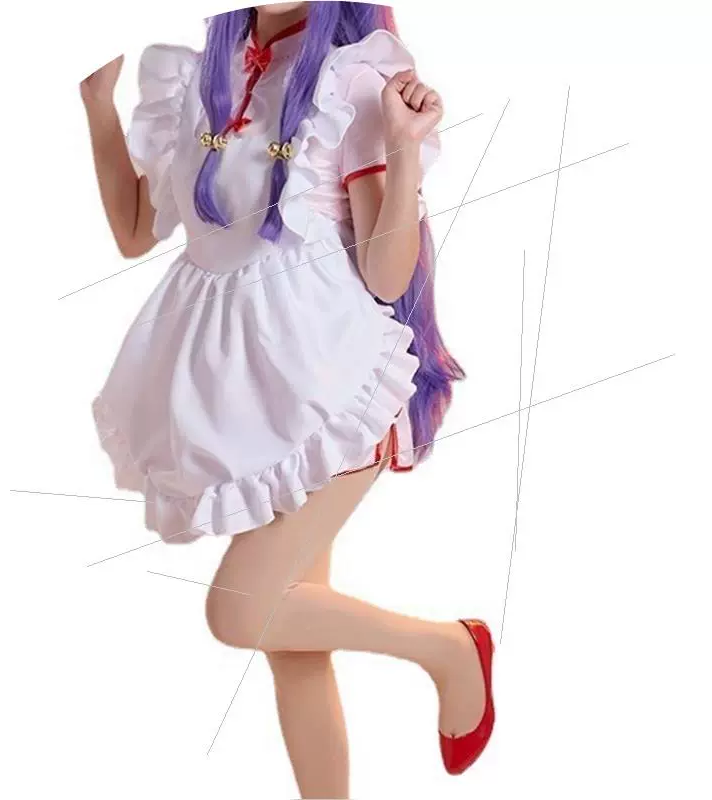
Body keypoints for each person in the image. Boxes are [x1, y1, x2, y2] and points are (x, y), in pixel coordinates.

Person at [80, 3, 494, 796]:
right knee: (290, 641)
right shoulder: (205, 67)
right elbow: (135, 230)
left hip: (329, 388)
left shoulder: (354, 72)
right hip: (241, 401)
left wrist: (403, 147)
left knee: (240, 612)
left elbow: (385, 277)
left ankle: (448, 648)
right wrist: (98, 102)